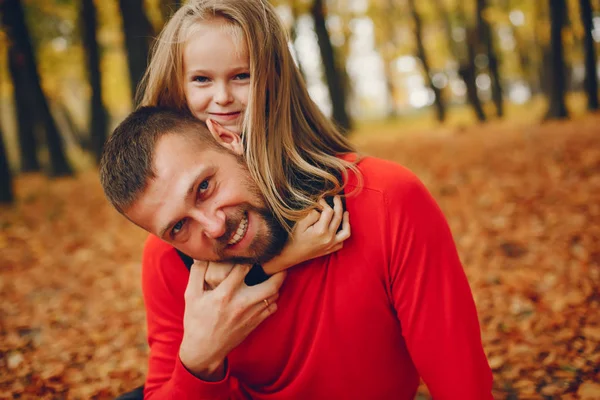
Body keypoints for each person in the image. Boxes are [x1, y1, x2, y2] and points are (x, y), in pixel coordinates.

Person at [103, 0, 493, 398]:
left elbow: (461, 381)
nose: (222, 99)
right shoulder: (168, 253)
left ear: (274, 79)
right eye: (201, 80)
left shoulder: (383, 199)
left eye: (242, 76)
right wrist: (200, 359)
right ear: (178, 89)